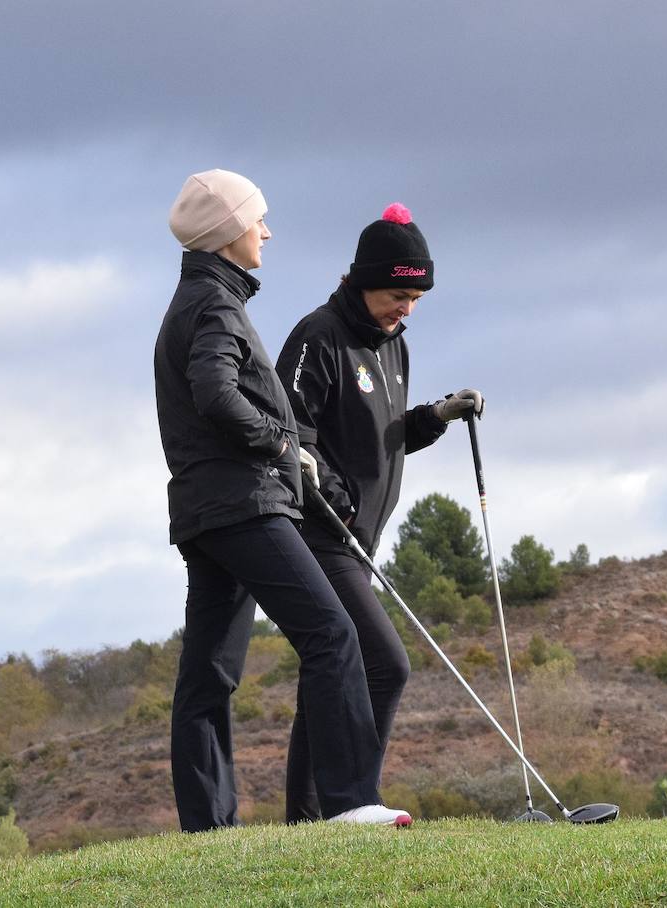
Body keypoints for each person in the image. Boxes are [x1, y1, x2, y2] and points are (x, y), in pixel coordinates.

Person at [154, 170, 412, 830]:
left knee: (210, 673)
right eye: (257, 220)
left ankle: (209, 830)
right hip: (244, 503)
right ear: (227, 232)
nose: (265, 230)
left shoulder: (203, 297)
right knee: (333, 634)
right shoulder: (214, 305)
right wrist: (279, 443)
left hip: (209, 510)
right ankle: (350, 803)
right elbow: (215, 394)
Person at [274, 203, 483, 823]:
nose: (406, 309)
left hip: (362, 540)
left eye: (417, 298)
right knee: (385, 664)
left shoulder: (395, 346)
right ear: (363, 280)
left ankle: (310, 820)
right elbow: (291, 430)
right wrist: (330, 490)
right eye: (398, 294)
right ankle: (356, 801)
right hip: (320, 534)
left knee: (330, 679)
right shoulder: (318, 335)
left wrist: (437, 416)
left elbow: (390, 435)